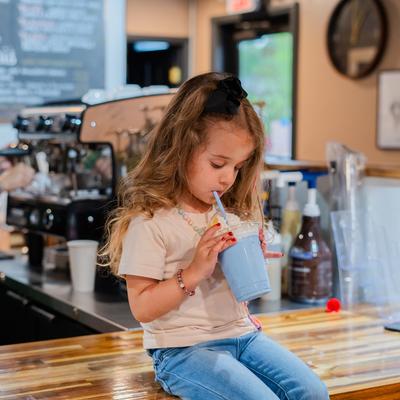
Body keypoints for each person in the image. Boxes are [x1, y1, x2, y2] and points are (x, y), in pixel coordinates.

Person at [102, 72, 329, 400]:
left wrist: (249, 258)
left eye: (237, 167)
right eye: (218, 163)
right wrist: (194, 272)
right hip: (182, 350)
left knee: (313, 392)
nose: (228, 179)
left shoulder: (228, 215)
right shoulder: (150, 221)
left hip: (243, 337)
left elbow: (236, 295)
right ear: (180, 149)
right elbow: (142, 308)